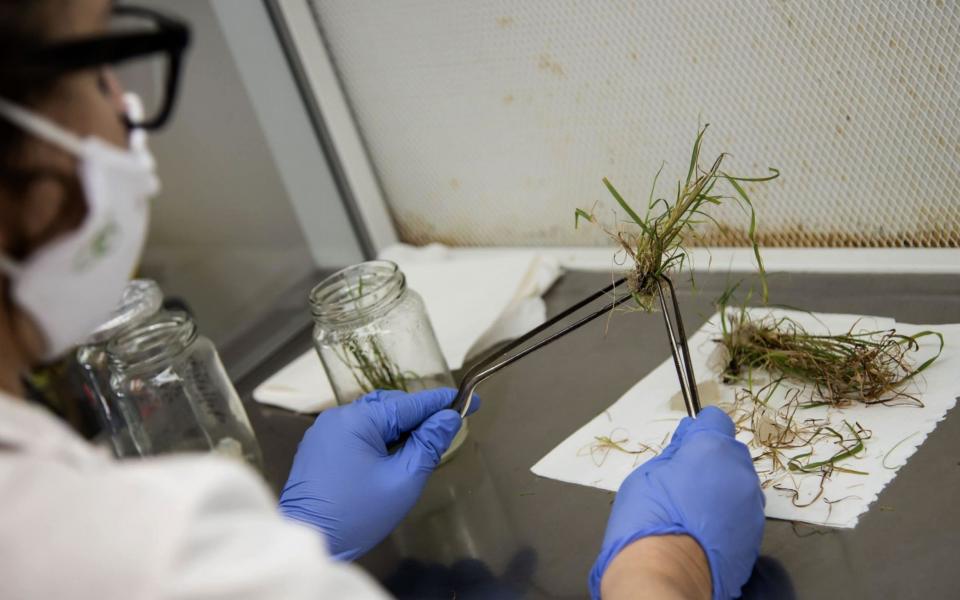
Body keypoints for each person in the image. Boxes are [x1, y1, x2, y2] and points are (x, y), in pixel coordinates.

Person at [0, 2, 765, 599]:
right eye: (104, 58)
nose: (125, 102)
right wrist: (664, 570)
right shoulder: (114, 550)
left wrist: (297, 533)